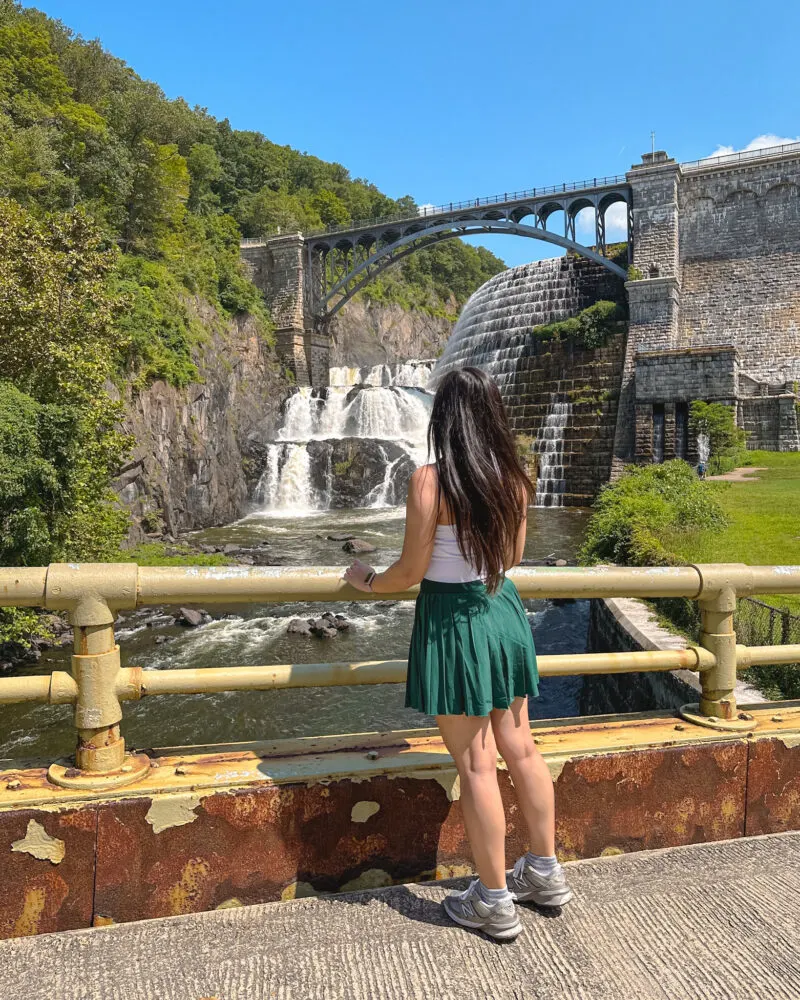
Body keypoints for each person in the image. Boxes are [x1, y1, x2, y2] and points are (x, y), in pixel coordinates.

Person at [344, 366, 572, 942]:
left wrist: (365, 581)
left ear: (444, 418)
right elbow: (512, 558)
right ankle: (544, 874)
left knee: (476, 765)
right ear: (493, 417)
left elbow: (409, 574)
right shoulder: (515, 480)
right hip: (502, 611)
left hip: (454, 621)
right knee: (522, 748)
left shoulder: (429, 482)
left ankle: (494, 901)